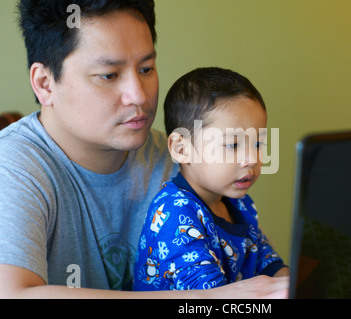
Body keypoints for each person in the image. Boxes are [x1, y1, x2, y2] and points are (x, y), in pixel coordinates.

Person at [0, 0, 288, 298]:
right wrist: (204, 299)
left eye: (147, 68)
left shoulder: (179, 155)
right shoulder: (14, 166)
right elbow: (13, 294)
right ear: (45, 83)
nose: (138, 95)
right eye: (109, 75)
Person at [133, 67, 289, 292]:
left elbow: (265, 258)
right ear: (182, 149)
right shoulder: (173, 213)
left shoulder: (239, 202)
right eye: (233, 145)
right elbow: (207, 295)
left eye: (258, 144)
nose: (252, 159)